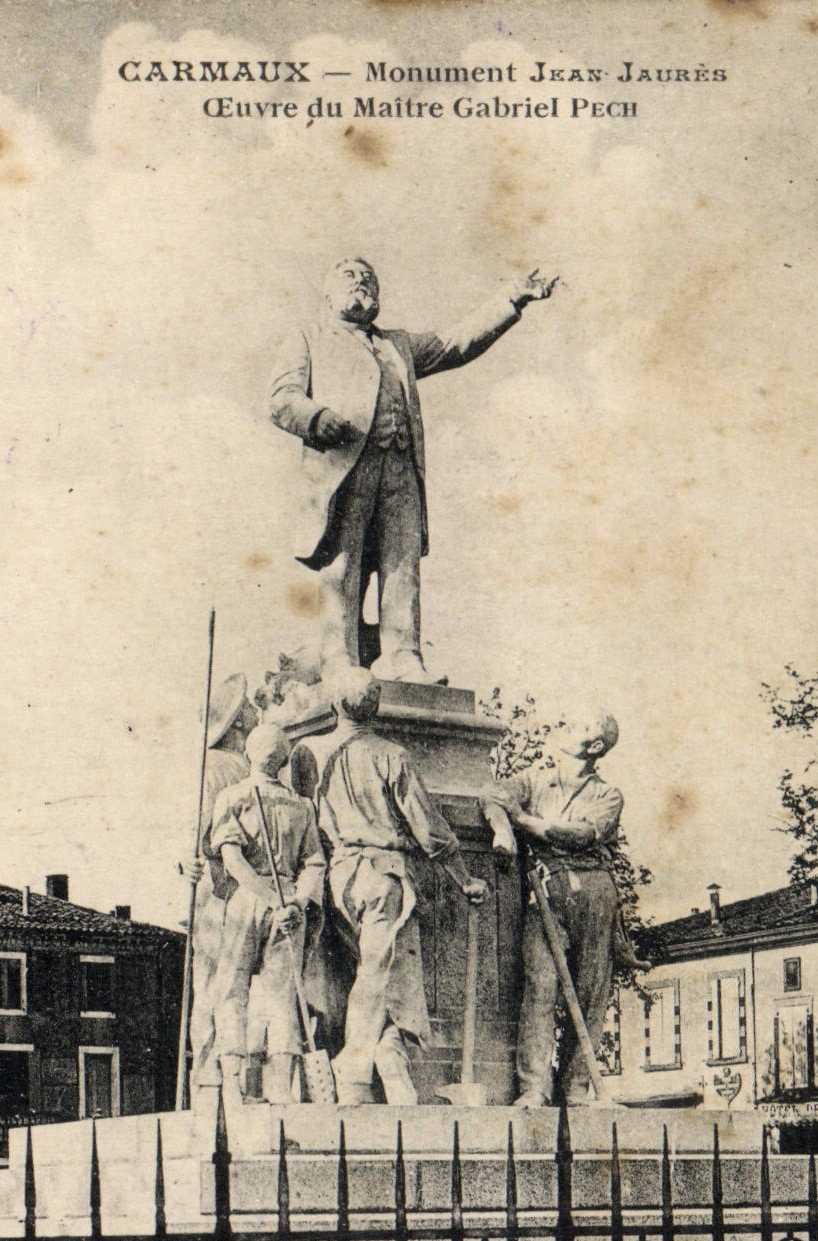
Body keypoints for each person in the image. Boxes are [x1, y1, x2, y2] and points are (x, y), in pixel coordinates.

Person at [268, 258, 557, 682]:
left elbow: (454, 343)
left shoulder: (398, 345)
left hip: (401, 468)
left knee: (401, 563)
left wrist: (512, 297)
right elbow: (281, 397)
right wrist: (314, 417)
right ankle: (338, 657)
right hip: (345, 465)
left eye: (369, 277)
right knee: (343, 562)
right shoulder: (310, 336)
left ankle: (403, 657)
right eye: (348, 275)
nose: (361, 280)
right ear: (327, 296)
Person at [316, 668, 488, 1104]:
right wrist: (465, 879)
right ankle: (356, 1069)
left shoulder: (313, 754)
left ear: (336, 705)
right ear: (376, 708)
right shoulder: (392, 755)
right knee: (379, 971)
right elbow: (429, 830)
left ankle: (391, 1053)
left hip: (337, 877)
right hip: (383, 875)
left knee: (383, 970)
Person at [486, 713, 635, 1108]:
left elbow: (580, 834)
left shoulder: (608, 794)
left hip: (593, 892)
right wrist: (503, 830)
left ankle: (575, 1088)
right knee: (540, 987)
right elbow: (492, 793)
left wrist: (521, 820)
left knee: (589, 994)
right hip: (545, 890)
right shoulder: (535, 779)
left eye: (578, 725)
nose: (565, 726)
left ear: (596, 746)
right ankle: (534, 1086)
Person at [208, 724, 326, 1104]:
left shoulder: (232, 797)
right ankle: (280, 1090)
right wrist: (295, 903)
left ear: (248, 753)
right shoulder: (302, 805)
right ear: (284, 761)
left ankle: (232, 1083)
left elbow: (233, 861)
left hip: (249, 900)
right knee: (283, 996)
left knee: (232, 990)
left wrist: (272, 900)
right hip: (290, 903)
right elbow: (314, 864)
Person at [188, 673, 259, 1098]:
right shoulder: (221, 767)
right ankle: (211, 1075)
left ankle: (216, 1075)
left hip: (228, 887)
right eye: (247, 706)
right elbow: (199, 830)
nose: (254, 710)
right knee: (221, 984)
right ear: (235, 722)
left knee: (220, 983)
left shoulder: (233, 766)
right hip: (222, 886)